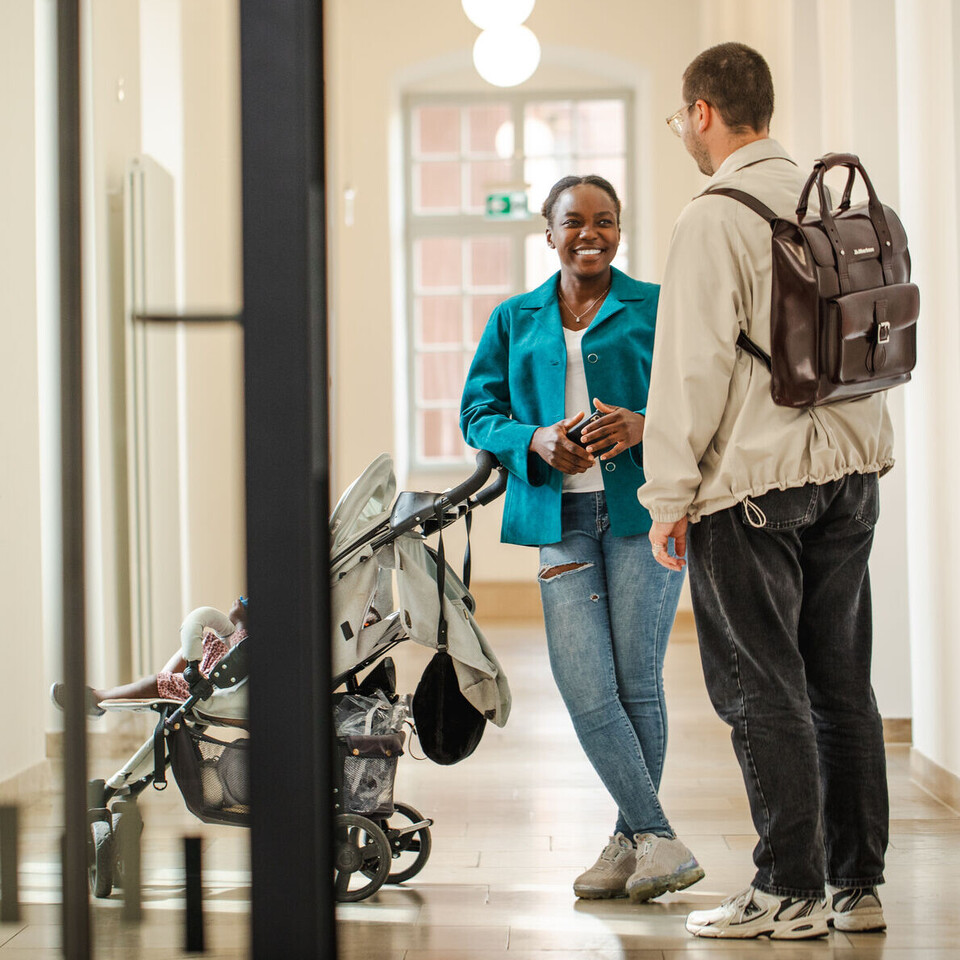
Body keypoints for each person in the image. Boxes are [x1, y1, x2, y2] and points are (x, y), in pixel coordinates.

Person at [639, 42, 891, 939]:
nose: (685, 134)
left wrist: (667, 495)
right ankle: (856, 886)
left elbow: (689, 372)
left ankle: (787, 887)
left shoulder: (713, 216)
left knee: (761, 687)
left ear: (704, 112)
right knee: (840, 681)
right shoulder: (832, 198)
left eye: (683, 119)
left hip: (753, 481)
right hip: (854, 470)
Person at [460, 175, 702, 903]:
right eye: (574, 222)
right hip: (558, 518)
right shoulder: (515, 317)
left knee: (636, 683)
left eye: (604, 221)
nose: (588, 233)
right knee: (585, 685)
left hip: (644, 513)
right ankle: (657, 835)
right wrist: (534, 439)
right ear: (549, 232)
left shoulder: (656, 307)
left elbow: (704, 394)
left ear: (620, 230)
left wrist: (644, 423)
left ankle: (631, 843)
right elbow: (477, 412)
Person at [51, 596, 249, 715]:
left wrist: (240, 624)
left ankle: (97, 698)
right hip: (227, 666)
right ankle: (165, 684)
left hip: (228, 684)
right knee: (203, 640)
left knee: (155, 682)